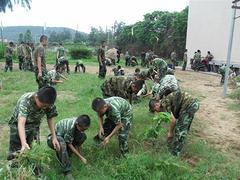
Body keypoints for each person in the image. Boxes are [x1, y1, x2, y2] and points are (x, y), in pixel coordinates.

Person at [7, 86, 60, 160]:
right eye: (43, 105)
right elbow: (21, 123)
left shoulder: (49, 103)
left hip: (34, 125)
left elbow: (50, 118)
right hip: (17, 125)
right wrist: (23, 143)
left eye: (46, 106)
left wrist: (54, 137)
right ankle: (14, 168)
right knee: (16, 151)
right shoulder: (25, 101)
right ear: (36, 97)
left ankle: (33, 168)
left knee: (34, 150)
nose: (44, 108)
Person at [149, 90, 199, 156]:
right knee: (182, 128)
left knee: (179, 130)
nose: (156, 112)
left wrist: (170, 132)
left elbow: (173, 120)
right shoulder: (164, 102)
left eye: (155, 110)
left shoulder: (164, 104)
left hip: (189, 105)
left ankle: (175, 154)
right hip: (191, 104)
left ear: (156, 105)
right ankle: (178, 147)